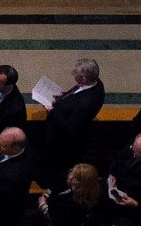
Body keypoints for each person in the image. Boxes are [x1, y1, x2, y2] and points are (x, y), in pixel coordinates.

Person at [42, 58, 105, 190]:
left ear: (83, 79)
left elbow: (69, 128)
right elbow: (77, 93)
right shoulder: (96, 83)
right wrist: (65, 96)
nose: (73, 75)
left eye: (75, 74)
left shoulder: (85, 103)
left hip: (62, 142)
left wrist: (53, 111)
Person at [36, 163, 108, 226]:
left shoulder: (63, 201)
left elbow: (55, 219)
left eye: (72, 171)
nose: (70, 173)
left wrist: (42, 204)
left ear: (72, 179)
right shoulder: (97, 196)